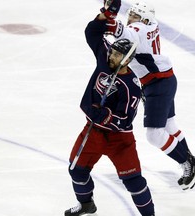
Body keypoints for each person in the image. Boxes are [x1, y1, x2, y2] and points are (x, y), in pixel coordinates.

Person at [64, 1, 156, 216]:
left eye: (116, 55)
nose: (111, 56)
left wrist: (103, 115)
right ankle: (87, 204)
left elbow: (124, 120)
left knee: (133, 181)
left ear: (127, 60)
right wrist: (107, 14)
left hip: (119, 140)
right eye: (112, 52)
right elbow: (92, 32)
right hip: (93, 131)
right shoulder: (105, 59)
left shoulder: (132, 86)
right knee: (76, 170)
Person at [105, 0, 195, 190]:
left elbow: (126, 32)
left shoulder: (139, 29)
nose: (130, 19)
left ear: (143, 19)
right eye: (130, 15)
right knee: (169, 125)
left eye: (135, 17)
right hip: (163, 80)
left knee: (154, 134)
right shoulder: (150, 25)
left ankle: (188, 163)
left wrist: (108, 17)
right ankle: (191, 163)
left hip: (158, 83)